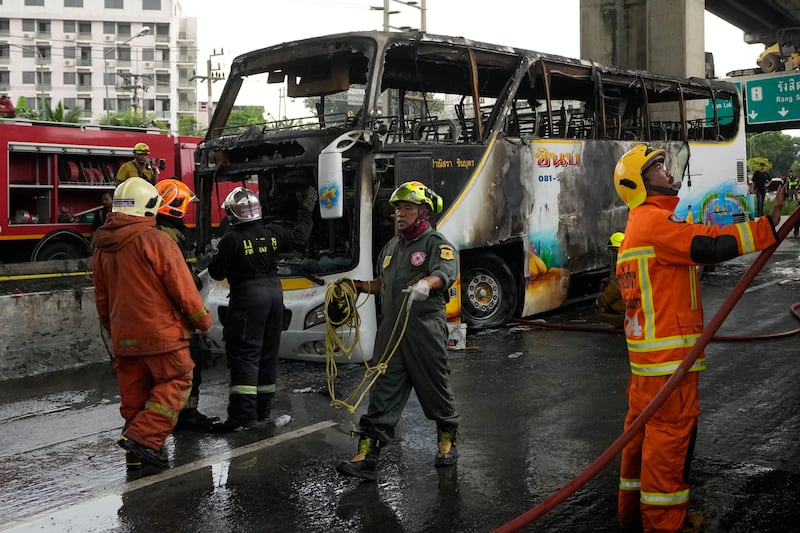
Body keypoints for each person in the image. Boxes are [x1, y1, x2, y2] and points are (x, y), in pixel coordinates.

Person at [613, 145, 782, 533]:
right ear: (638, 184)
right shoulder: (654, 224)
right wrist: (765, 229)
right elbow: (708, 245)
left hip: (647, 366)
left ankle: (631, 512)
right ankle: (664, 524)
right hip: (670, 363)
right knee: (669, 444)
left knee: (640, 439)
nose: (667, 172)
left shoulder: (638, 227)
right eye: (657, 167)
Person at [337, 181, 460, 481]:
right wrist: (359, 287)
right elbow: (383, 284)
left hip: (424, 330)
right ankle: (367, 458)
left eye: (407, 208)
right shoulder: (391, 247)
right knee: (382, 393)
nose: (399, 214)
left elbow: (444, 274)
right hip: (391, 333)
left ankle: (447, 440)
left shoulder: (436, 244)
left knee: (435, 388)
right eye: (396, 209)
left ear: (423, 212)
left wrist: (426, 285)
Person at [93, 177, 212, 469]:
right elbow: (182, 288)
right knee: (177, 380)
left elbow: (102, 299)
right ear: (147, 207)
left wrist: (114, 329)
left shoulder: (102, 248)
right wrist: (202, 321)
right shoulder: (157, 241)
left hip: (125, 337)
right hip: (162, 334)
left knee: (135, 397)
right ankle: (145, 440)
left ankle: (134, 457)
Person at [207, 185, 317, 432]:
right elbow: (300, 236)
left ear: (232, 214)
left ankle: (242, 417)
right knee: (268, 354)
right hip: (275, 296)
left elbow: (216, 272)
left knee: (245, 355)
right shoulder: (273, 233)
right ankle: (262, 411)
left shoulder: (232, 239)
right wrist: (306, 211)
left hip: (248, 298)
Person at [154, 178, 219, 431]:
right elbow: (179, 278)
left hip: (166, 314)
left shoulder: (166, 231)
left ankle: (181, 415)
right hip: (176, 314)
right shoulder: (168, 235)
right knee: (191, 363)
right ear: (176, 206)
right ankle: (186, 416)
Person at [594, 231, 625, 328]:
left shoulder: (623, 267)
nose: (612, 254)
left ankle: (622, 321)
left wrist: (601, 301)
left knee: (601, 310)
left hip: (630, 309)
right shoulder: (631, 262)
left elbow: (617, 287)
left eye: (613, 251)